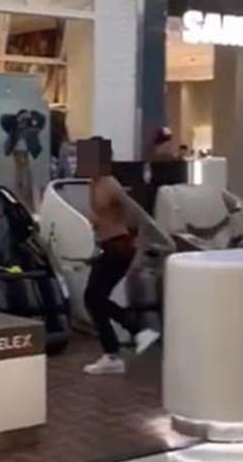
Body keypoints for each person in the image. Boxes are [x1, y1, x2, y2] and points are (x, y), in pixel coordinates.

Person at [83, 158, 160, 375]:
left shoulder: (109, 184)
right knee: (95, 299)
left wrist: (142, 243)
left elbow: (134, 214)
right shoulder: (95, 184)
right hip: (112, 246)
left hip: (119, 248)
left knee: (93, 297)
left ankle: (132, 336)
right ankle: (118, 349)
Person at [0, 109, 45, 211]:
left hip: (29, 153)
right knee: (18, 174)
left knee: (28, 174)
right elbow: (3, 119)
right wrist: (17, 118)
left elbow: (42, 120)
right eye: (22, 120)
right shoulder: (13, 128)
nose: (23, 122)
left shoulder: (32, 129)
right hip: (16, 153)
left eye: (25, 120)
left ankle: (28, 196)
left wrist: (32, 114)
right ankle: (18, 197)